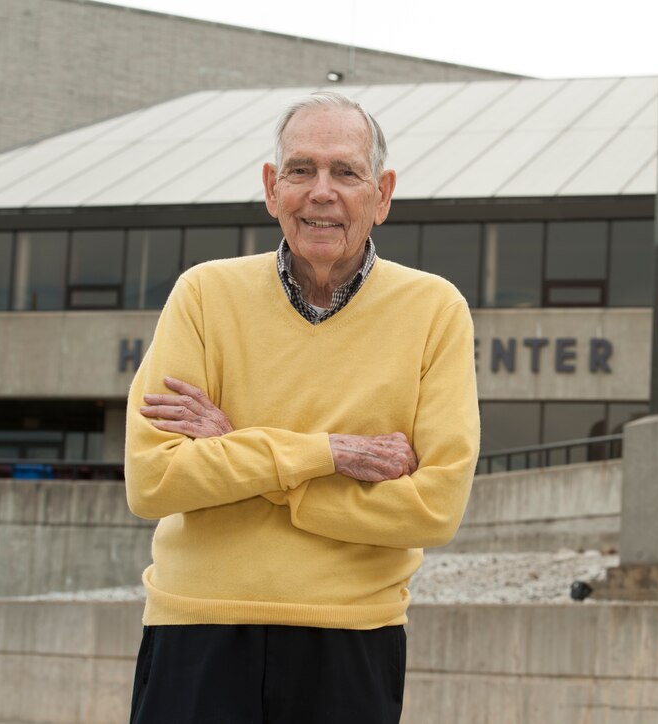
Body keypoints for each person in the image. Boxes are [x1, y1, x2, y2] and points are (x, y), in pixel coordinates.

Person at [123, 91, 480, 724]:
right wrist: (329, 454)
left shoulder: (436, 311)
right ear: (271, 186)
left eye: (346, 172)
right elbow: (153, 481)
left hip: (352, 640)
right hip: (196, 630)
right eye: (301, 169)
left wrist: (242, 450)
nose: (322, 191)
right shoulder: (204, 294)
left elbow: (433, 508)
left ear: (383, 194)